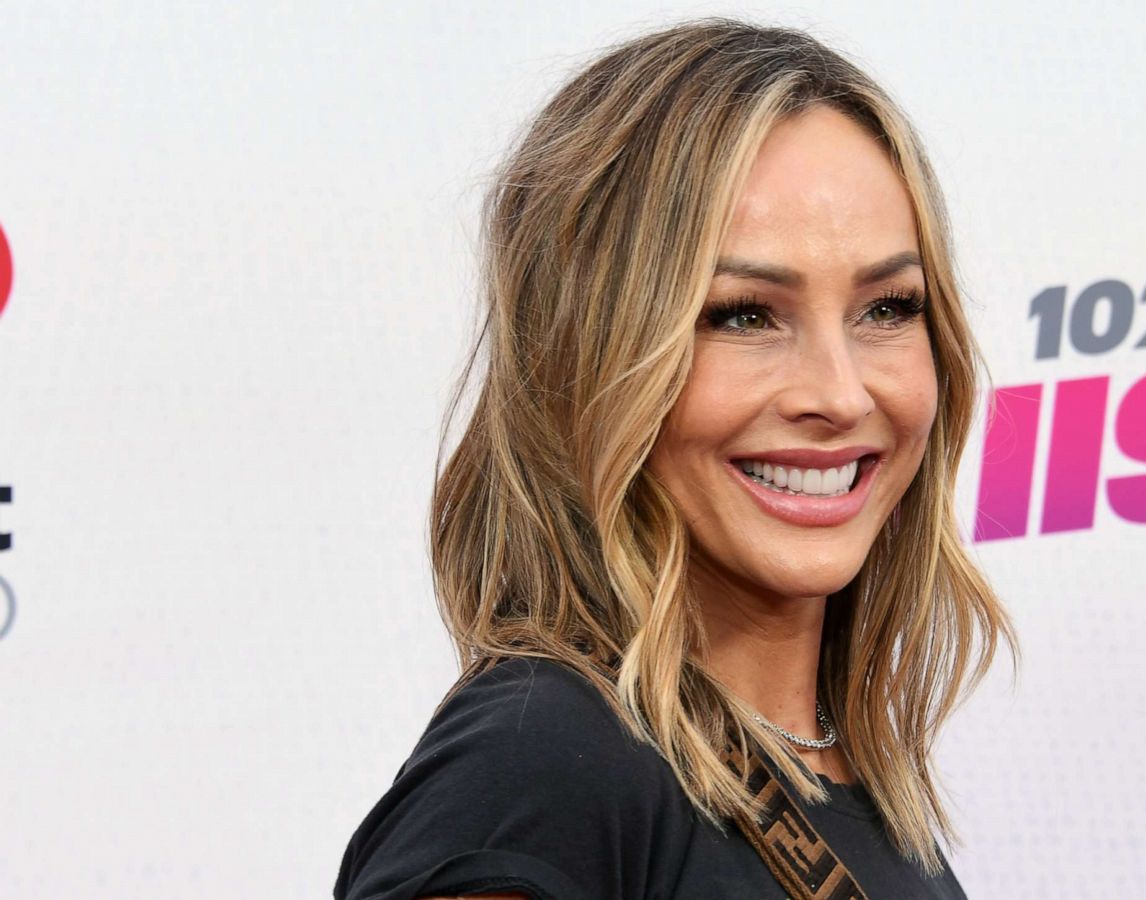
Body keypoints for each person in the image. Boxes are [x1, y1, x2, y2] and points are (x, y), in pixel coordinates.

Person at [334, 16, 1016, 900]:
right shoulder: (540, 771)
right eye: (742, 315)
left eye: (887, 308)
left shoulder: (866, 798)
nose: (842, 394)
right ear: (585, 358)